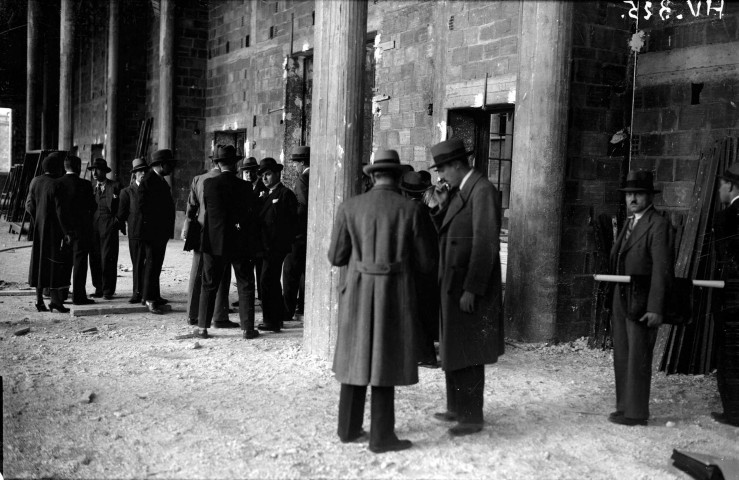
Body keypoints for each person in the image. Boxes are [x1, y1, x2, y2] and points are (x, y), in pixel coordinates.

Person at [329, 149, 436, 453]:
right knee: (385, 359)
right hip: (395, 291)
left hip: (357, 292)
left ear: (372, 175)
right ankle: (382, 436)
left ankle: (348, 429)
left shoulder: (349, 207)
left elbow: (336, 257)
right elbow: (427, 264)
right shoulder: (411, 210)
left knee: (354, 357)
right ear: (400, 176)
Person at [428, 138, 505, 436]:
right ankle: (456, 407)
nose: (440, 176)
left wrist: (472, 288)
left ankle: (471, 416)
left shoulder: (482, 190)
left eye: (443, 169)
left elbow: (485, 244)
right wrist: (440, 207)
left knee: (469, 350)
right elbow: (449, 231)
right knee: (454, 346)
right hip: (454, 285)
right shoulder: (463, 191)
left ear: (458, 165)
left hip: (468, 288)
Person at [608, 170, 673, 426]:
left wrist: (656, 307)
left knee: (638, 355)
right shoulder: (629, 223)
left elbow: (662, 270)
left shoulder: (658, 225)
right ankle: (624, 407)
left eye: (639, 194)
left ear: (650, 197)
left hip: (643, 299)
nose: (633, 198)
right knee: (623, 353)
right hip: (621, 296)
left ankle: (636, 413)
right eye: (629, 194)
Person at [195, 145, 262, 339]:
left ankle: (202, 328)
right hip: (239, 241)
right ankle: (247, 328)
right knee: (245, 283)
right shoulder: (245, 186)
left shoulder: (209, 185)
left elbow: (209, 214)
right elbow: (248, 216)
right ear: (236, 164)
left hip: (214, 242)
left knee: (209, 284)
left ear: (216, 163)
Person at [182, 149, 236, 328]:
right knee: (221, 275)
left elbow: (191, 209)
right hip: (222, 234)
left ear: (213, 161)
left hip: (200, 231)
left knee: (197, 273)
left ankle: (192, 314)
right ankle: (219, 316)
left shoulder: (198, 179)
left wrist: (187, 227)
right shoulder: (230, 182)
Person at [399, 170, 439, 367]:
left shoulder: (411, 211)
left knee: (417, 313)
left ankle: (425, 356)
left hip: (417, 270)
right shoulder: (422, 209)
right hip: (427, 269)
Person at [256, 157, 298, 332]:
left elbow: (291, 223)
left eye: (268, 174)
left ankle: (271, 320)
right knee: (270, 281)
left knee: (268, 281)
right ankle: (276, 317)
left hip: (275, 247)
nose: (264, 179)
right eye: (263, 175)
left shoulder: (285, 194)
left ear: (277, 174)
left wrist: (281, 241)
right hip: (264, 247)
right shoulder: (265, 194)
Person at [712, 163, 739, 427]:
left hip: (732, 298)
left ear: (730, 186)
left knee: (729, 355)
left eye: (721, 184)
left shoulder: (726, 218)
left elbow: (726, 261)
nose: (719, 189)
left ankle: (734, 414)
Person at [26, 151, 70, 313]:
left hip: (38, 229)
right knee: (54, 265)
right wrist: (67, 233)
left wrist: (38, 218)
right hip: (53, 232)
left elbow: (29, 205)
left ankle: (39, 301)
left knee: (39, 264)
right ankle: (55, 302)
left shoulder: (34, 181)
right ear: (57, 168)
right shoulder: (57, 184)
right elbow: (60, 212)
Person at [138, 149, 176, 315]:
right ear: (161, 165)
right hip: (152, 232)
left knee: (156, 265)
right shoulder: (149, 181)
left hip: (159, 232)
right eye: (169, 164)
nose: (171, 168)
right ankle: (149, 300)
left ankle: (154, 295)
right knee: (152, 265)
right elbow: (143, 209)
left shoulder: (158, 180)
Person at [56, 155, 95, 306]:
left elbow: (58, 210)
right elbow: (93, 206)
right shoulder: (85, 184)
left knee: (64, 263)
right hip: (81, 230)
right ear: (79, 167)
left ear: (65, 167)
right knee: (80, 264)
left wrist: (65, 231)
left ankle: (61, 295)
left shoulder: (58, 183)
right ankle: (79, 297)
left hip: (63, 232)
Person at [283, 146, 310, 322]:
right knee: (304, 273)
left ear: (302, 163)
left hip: (300, 233)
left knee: (290, 272)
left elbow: (302, 207)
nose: (294, 167)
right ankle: (302, 306)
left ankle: (287, 311)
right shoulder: (320, 175)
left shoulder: (303, 179)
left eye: (295, 163)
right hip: (312, 233)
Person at [88, 158, 121, 299]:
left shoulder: (115, 186)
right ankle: (98, 288)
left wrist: (116, 221)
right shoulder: (90, 187)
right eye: (93, 170)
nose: (95, 172)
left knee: (108, 258)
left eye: (98, 169)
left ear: (105, 171)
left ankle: (108, 290)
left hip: (109, 226)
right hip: (94, 227)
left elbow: (122, 206)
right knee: (94, 258)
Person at [117, 158, 148, 304]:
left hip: (150, 233)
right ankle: (137, 293)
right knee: (137, 263)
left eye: (144, 171)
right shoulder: (127, 192)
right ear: (134, 174)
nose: (143, 173)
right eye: (140, 171)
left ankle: (150, 294)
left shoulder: (151, 190)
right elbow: (122, 214)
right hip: (135, 234)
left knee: (150, 264)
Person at [238, 156, 267, 303]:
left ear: (257, 171)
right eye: (246, 172)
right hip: (246, 235)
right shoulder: (242, 187)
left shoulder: (264, 187)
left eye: (251, 171)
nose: (248, 174)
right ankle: (247, 298)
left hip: (260, 235)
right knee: (246, 269)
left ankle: (262, 297)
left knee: (261, 269)